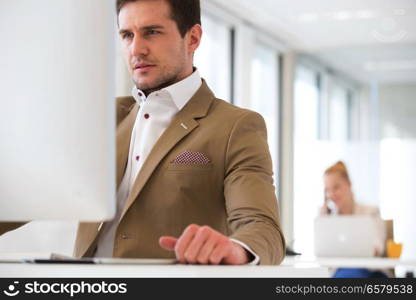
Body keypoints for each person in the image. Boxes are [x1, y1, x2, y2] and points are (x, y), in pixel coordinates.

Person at [0, 0, 285, 265]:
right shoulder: (101, 118)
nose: (136, 49)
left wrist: (236, 249)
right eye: (127, 35)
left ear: (193, 38)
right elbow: (35, 192)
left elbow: (263, 229)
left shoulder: (235, 126)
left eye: (152, 32)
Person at [320, 161, 387, 277]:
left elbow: (378, 246)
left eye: (336, 187)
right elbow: (323, 254)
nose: (331, 194)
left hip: (371, 271)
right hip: (342, 272)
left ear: (349, 184)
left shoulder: (371, 212)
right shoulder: (330, 219)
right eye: (327, 190)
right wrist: (323, 222)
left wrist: (371, 249)